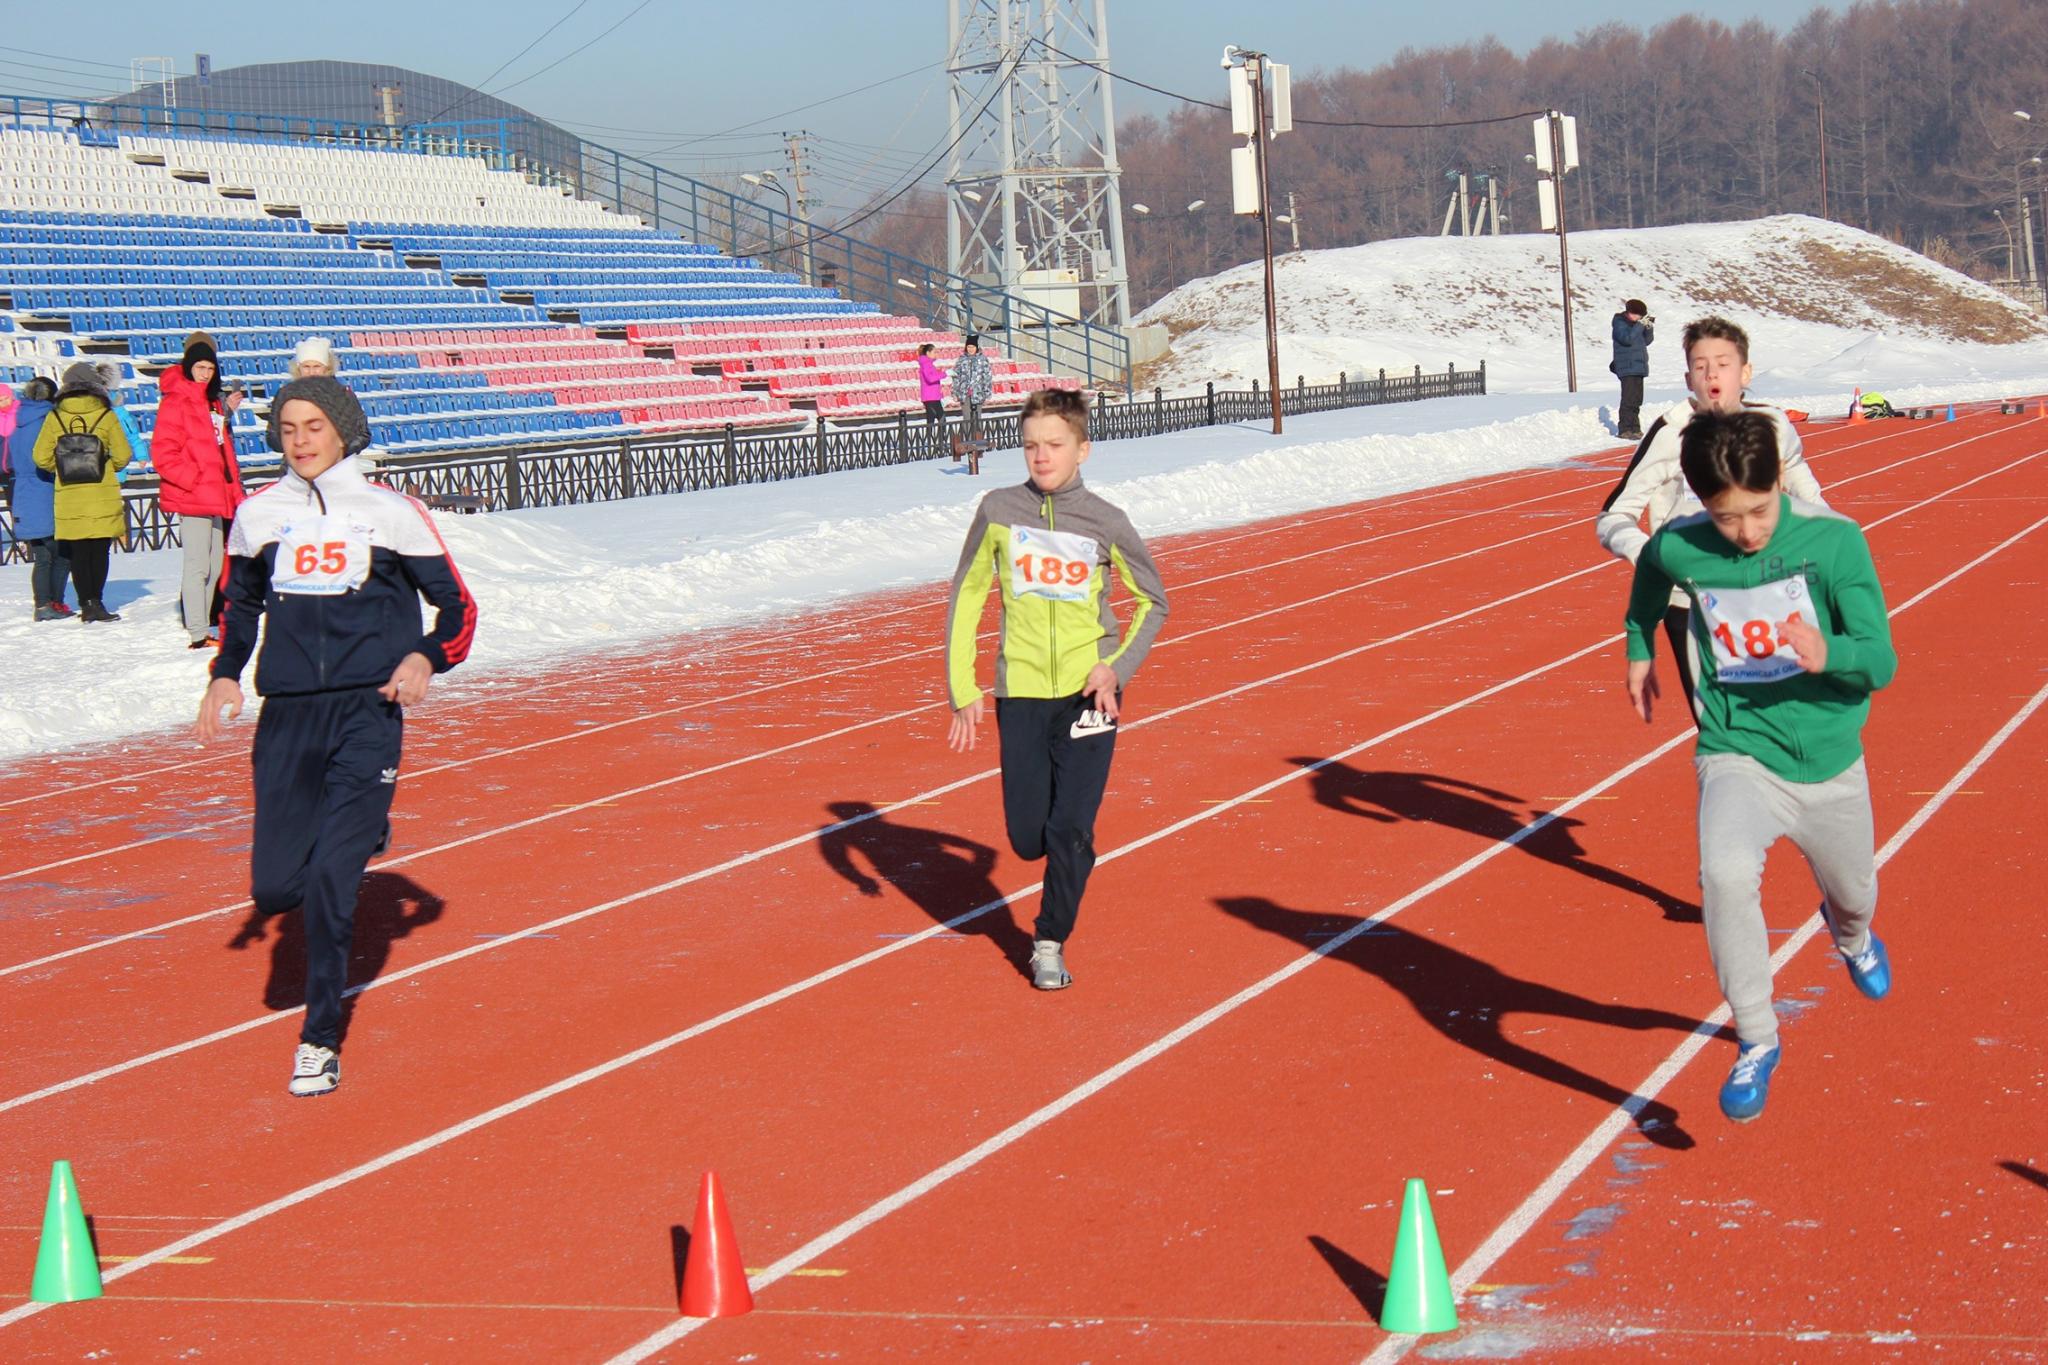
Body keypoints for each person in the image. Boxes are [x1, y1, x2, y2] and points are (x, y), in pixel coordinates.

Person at [196, 377, 477, 1097]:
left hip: (365, 711)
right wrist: (225, 675)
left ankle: (319, 1038)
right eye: (288, 427)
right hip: (287, 715)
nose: (301, 439)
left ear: (343, 430)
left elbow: (457, 608)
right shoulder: (258, 516)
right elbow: (239, 606)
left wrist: (424, 656)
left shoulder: (390, 514)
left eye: (314, 425)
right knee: (275, 887)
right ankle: (363, 831)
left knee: (329, 885)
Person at [1623, 410, 1896, 1124]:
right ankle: (1755, 1036)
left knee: (1856, 891)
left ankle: (1852, 934)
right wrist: (1638, 646)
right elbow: (1650, 579)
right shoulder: (1684, 546)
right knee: (1725, 872)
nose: (1746, 532)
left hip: (1832, 758)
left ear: (1780, 481)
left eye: (1758, 510)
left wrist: (1828, 653)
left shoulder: (1834, 544)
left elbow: (1882, 660)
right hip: (1738, 748)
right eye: (1726, 515)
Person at [943, 387, 1169, 990]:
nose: (1041, 457)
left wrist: (1114, 670)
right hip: (1018, 693)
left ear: (1082, 450)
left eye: (1054, 445)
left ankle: (1049, 939)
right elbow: (967, 595)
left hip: (1088, 696)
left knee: (1070, 827)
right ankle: (1063, 855)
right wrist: (962, 686)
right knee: (1025, 838)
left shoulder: (1106, 523)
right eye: (1031, 446)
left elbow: (1154, 602)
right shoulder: (997, 511)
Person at [1595, 316, 1825, 712]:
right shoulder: (1671, 431)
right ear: (1688, 379)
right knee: (1722, 729)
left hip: (1770, 590)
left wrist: (1827, 555)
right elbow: (1614, 515)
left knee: (1785, 721)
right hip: (1693, 603)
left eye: (1723, 363)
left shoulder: (1774, 425)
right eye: (1701, 367)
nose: (1712, 374)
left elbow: (1812, 501)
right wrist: (1655, 557)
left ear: (1746, 372)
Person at [153, 334, 248, 648]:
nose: (205, 372)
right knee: (197, 564)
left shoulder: (211, 401)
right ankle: (197, 631)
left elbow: (223, 450)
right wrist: (193, 480)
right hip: (194, 495)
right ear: (188, 367)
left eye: (210, 367)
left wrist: (230, 487)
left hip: (216, 493)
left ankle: (204, 624)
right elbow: (163, 452)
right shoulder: (176, 400)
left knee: (215, 565)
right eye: (200, 366)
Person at [30, 362, 133, 623]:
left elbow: (40, 457)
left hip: (70, 495)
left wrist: (63, 468)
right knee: (99, 551)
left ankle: (85, 604)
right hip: (102, 493)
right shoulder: (106, 415)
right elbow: (123, 455)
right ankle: (96, 601)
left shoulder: (55, 416)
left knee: (78, 553)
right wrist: (106, 465)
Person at [4, 379, 73, 619]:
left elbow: (10, 461)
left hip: (22, 491)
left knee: (42, 555)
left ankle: (43, 604)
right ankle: (53, 603)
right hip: (45, 490)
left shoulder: (16, 422)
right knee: (62, 553)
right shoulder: (49, 420)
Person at [1610, 299, 1653, 440]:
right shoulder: (1619, 323)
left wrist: (1649, 327)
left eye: (1640, 316)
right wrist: (1639, 326)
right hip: (1626, 366)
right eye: (1635, 315)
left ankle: (1635, 428)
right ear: (1628, 312)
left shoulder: (1636, 326)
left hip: (1638, 366)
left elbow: (1647, 341)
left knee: (1636, 399)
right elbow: (1626, 339)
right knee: (1628, 399)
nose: (1637, 318)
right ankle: (1624, 429)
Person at [950, 334, 994, 453]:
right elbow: (955, 377)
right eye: (968, 346)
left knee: (977, 418)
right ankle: (968, 443)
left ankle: (978, 443)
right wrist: (954, 391)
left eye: (972, 347)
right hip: (964, 394)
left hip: (978, 393)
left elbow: (987, 377)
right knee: (967, 418)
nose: (970, 349)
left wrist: (987, 391)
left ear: (976, 347)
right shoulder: (961, 360)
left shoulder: (983, 360)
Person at [916, 343, 947, 453]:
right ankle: (937, 443)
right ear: (928, 353)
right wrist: (944, 374)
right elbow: (930, 378)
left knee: (933, 420)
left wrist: (941, 396)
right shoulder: (926, 364)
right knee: (939, 419)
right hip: (930, 397)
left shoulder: (928, 364)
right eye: (934, 352)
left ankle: (933, 443)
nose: (936, 354)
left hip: (933, 396)